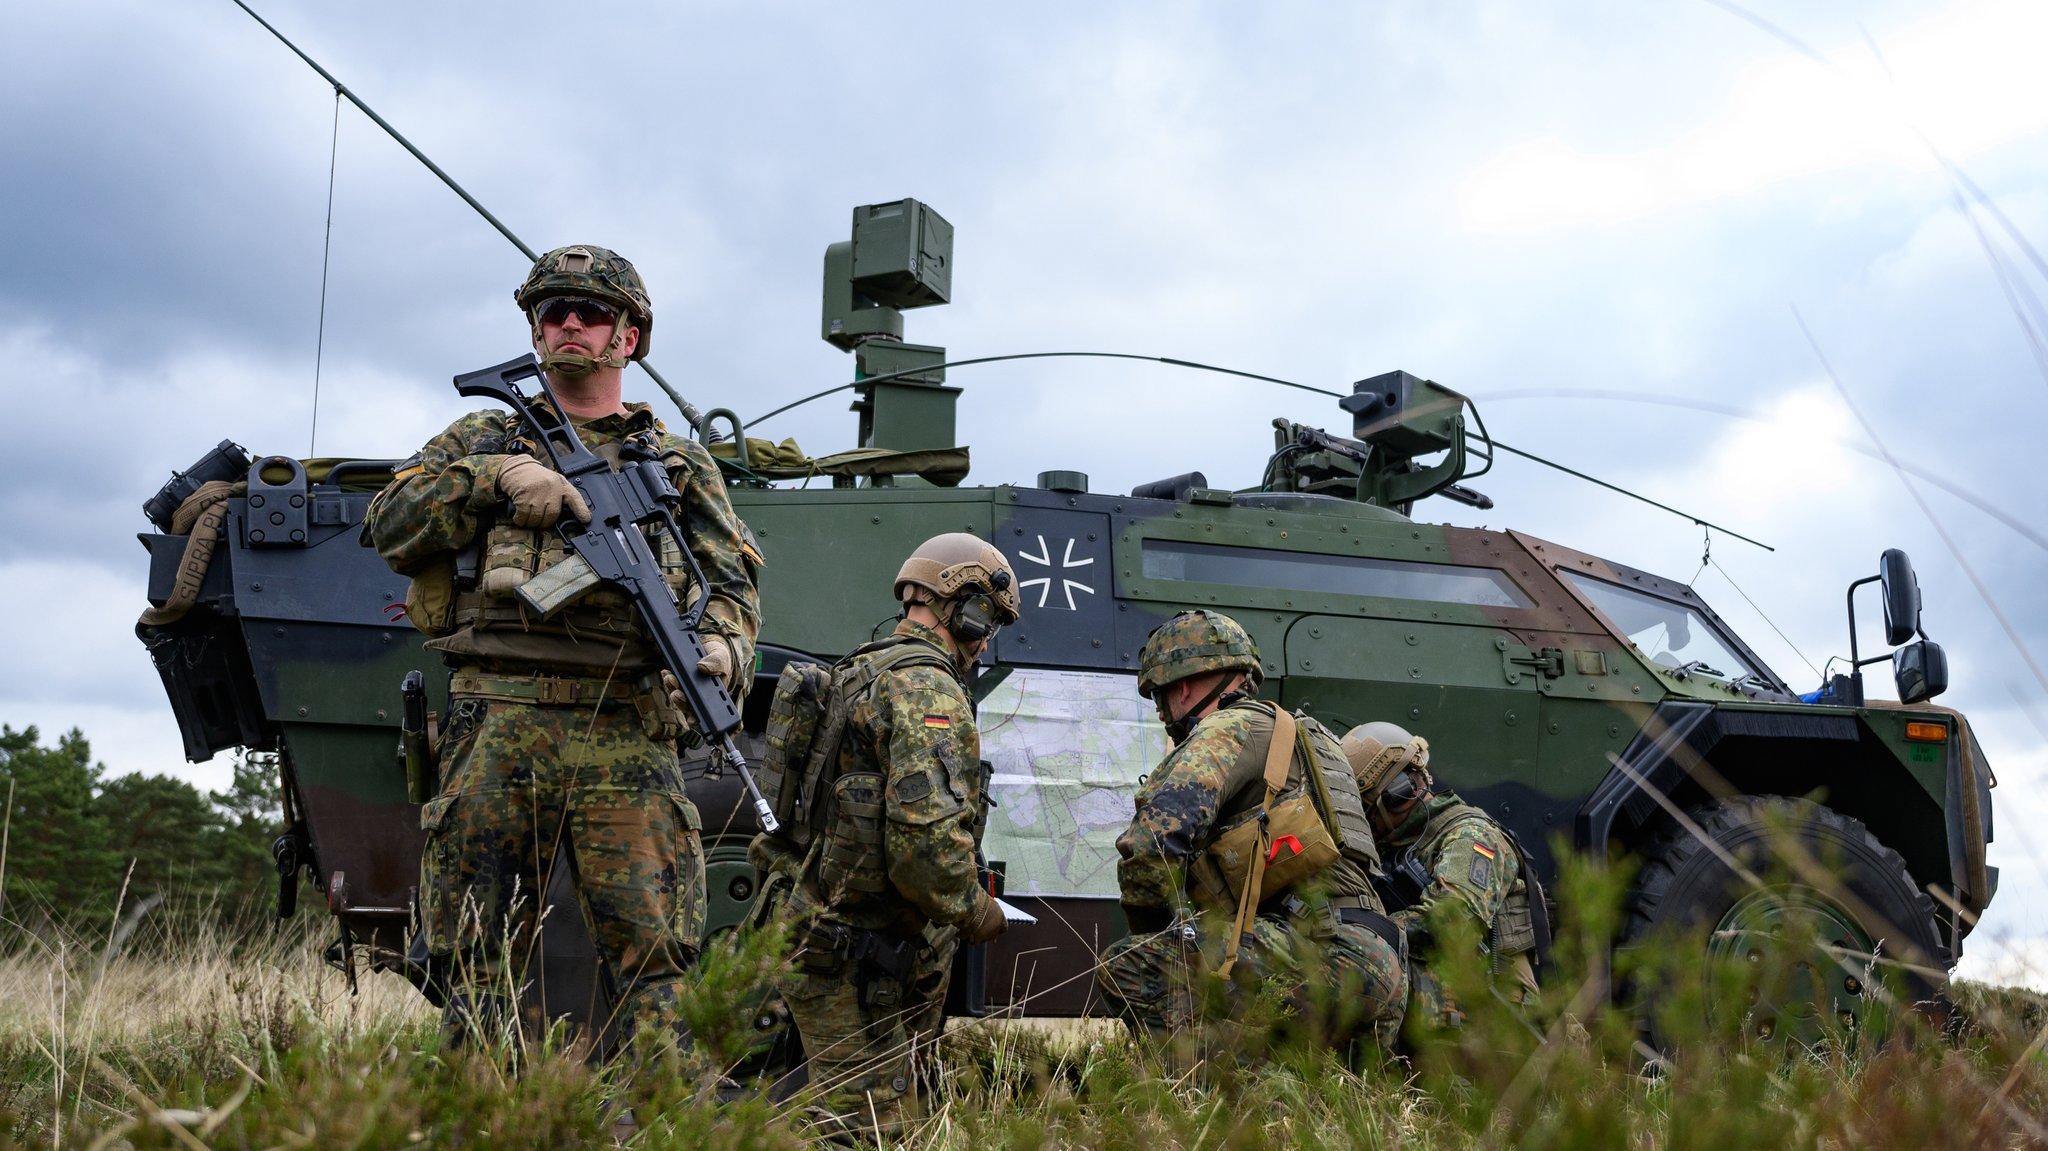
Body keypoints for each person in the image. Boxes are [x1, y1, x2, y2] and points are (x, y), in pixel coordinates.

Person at [362, 244, 762, 1059]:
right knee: (475, 954)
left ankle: (667, 1120)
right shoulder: (487, 431)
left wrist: (721, 649)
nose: (570, 324)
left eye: (591, 312)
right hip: (498, 719)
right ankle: (480, 1116)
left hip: (625, 726)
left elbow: (734, 585)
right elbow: (387, 522)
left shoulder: (677, 464)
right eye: (553, 312)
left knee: (658, 958)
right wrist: (497, 476)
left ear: (630, 338)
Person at [756, 533, 1018, 1142]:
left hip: (814, 927)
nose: (985, 641)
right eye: (990, 622)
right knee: (871, 1128)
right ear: (967, 606)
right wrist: (976, 910)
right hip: (855, 952)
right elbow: (924, 849)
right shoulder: (929, 690)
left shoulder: (860, 669)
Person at [1096, 610, 1407, 1061]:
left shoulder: (1227, 728)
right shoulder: (1308, 738)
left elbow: (1153, 842)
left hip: (1321, 954)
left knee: (1132, 966)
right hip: (1378, 961)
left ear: (1181, 686)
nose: (1163, 713)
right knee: (1324, 1105)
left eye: (1161, 698)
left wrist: (1152, 933)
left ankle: (1209, 1101)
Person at [1342, 721, 1544, 1031]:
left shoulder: (1474, 837)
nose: (1362, 821)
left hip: (1497, 1020)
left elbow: (1451, 921)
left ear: (1397, 797)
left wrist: (1363, 929)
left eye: (1364, 809)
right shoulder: (1402, 844)